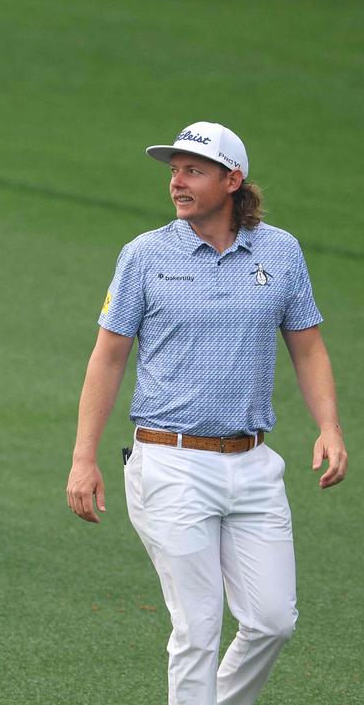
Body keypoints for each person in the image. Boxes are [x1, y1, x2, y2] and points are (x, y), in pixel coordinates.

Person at [66, 121, 348, 704]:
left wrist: (330, 427)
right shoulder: (144, 255)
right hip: (169, 463)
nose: (177, 182)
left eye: (193, 170)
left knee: (273, 621)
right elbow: (108, 358)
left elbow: (309, 346)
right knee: (197, 630)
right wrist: (82, 459)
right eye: (173, 171)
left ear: (233, 180)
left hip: (252, 465)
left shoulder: (281, 251)